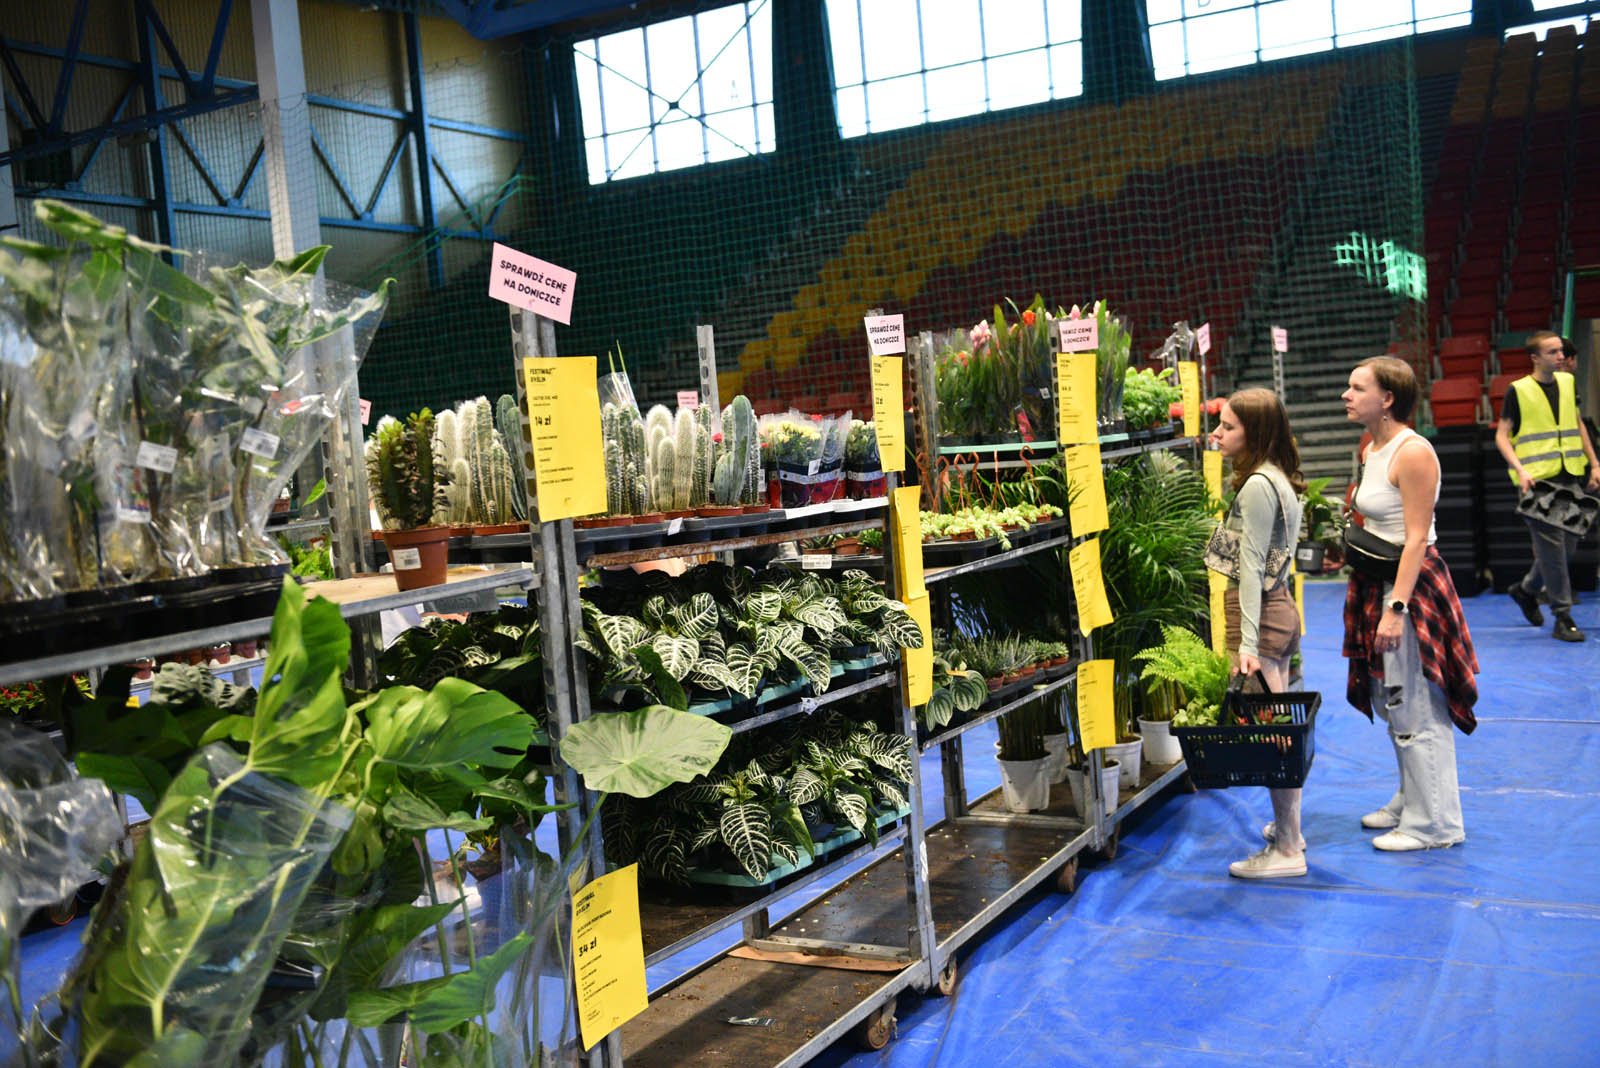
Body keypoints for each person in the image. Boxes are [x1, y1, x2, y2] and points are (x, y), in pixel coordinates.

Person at [1341, 357, 1479, 852]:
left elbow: (1417, 539)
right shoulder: (1371, 447)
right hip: (1377, 583)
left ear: (1389, 398)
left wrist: (1395, 609)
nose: (1346, 395)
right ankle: (1412, 798)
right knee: (1392, 700)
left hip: (1409, 590)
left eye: (1358, 388)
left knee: (1417, 707)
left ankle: (1435, 824)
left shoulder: (1413, 452)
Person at [1207, 388, 1307, 879]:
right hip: (1277, 609)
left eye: (1228, 427)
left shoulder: (1257, 486)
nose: (1217, 434)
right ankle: (1290, 830)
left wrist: (1246, 643)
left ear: (1256, 432)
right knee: (1279, 732)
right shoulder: (1275, 478)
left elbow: (1249, 570)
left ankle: (1288, 850)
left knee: (1273, 739)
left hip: (1263, 617)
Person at [1495, 330, 1600, 642]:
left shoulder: (1567, 382)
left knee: (1568, 546)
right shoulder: (1518, 390)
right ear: (1535, 358)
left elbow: (1577, 422)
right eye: (1553, 352)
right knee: (1552, 550)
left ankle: (1526, 589)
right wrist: (1520, 470)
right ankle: (1562, 615)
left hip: (1570, 475)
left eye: (1562, 352)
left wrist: (1594, 462)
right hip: (1537, 482)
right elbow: (1502, 436)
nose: (1561, 357)